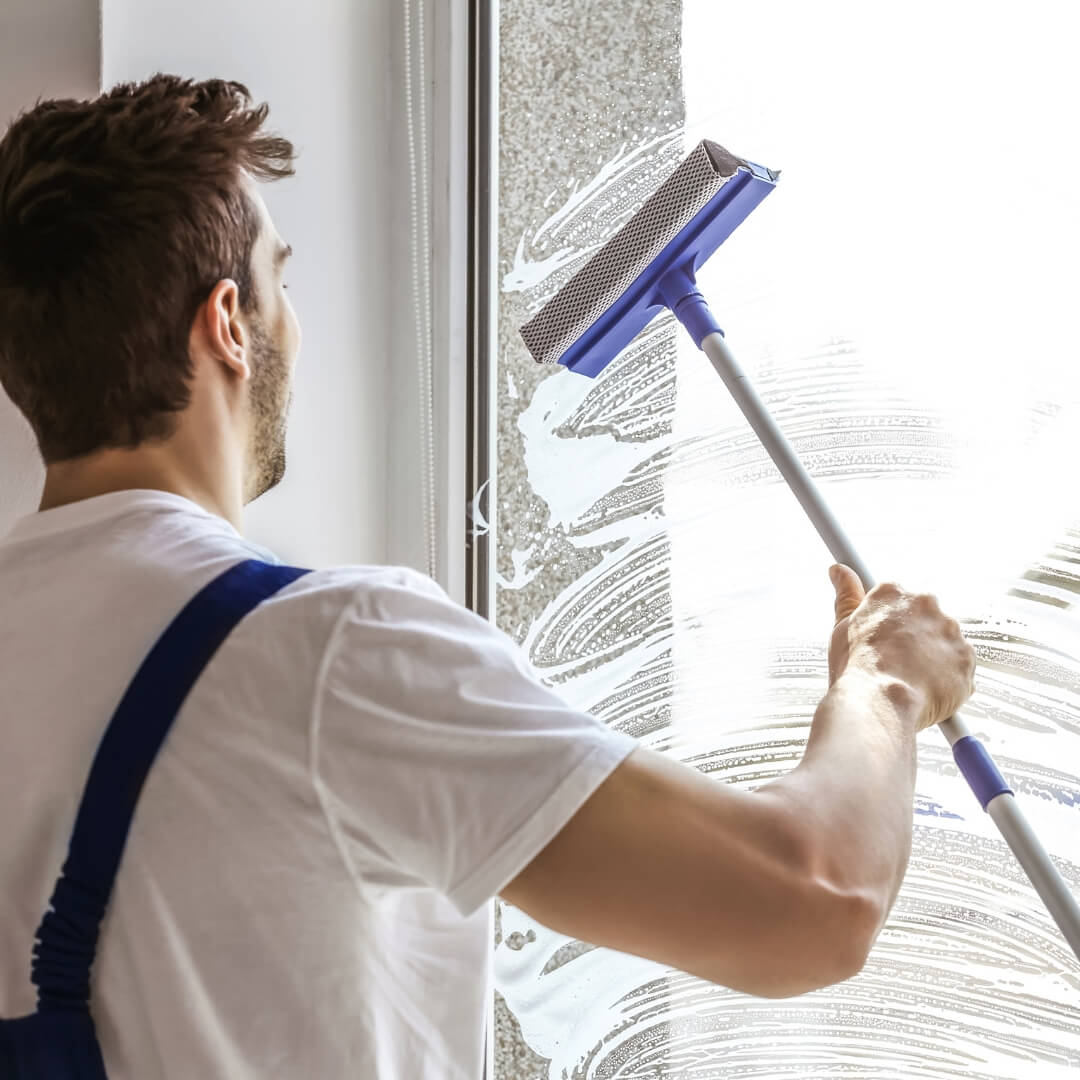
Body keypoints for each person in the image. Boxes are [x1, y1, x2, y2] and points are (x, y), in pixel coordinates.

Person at [0, 75, 977, 1079]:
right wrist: (886, 682)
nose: (293, 320)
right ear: (229, 326)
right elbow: (809, 904)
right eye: (279, 282)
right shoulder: (323, 651)